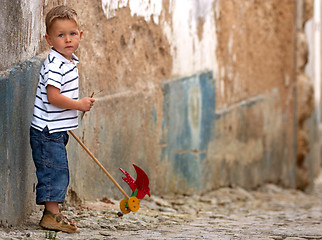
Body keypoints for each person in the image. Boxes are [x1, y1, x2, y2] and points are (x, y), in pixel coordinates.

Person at [30, 5, 95, 233]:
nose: (68, 39)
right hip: (46, 130)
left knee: (57, 169)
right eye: (60, 35)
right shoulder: (55, 64)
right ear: (49, 38)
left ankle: (54, 213)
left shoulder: (68, 61)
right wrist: (78, 105)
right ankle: (51, 216)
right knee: (53, 170)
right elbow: (53, 96)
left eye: (72, 34)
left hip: (55, 129)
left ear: (80, 35)